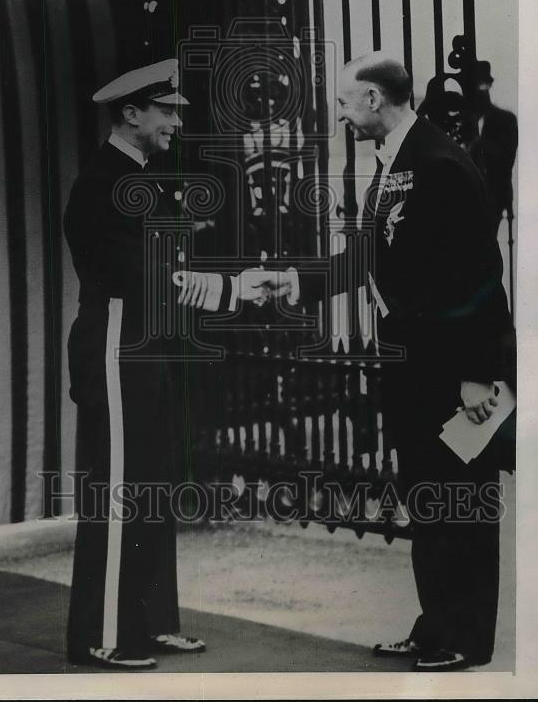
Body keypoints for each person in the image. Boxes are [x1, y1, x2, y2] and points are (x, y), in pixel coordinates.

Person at [180, 52, 514, 672]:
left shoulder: (440, 163)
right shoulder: (399, 162)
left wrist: (477, 374)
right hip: (414, 364)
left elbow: (478, 276)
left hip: (449, 369)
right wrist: (294, 283)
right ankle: (436, 626)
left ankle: (464, 638)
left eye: (341, 102)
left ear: (371, 99)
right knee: (427, 496)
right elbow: (373, 260)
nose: (338, 114)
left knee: (459, 501)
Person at [63, 59, 217, 671]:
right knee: (120, 487)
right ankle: (98, 634)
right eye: (167, 110)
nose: (177, 121)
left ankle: (150, 622)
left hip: (146, 344)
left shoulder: (145, 178)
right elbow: (129, 273)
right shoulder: (102, 181)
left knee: (153, 481)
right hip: (115, 342)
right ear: (131, 113)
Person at [467, 60, 518, 233]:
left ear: (490, 85)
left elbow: (507, 158)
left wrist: (479, 144)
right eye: (476, 85)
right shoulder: (464, 120)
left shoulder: (506, 120)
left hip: (494, 196)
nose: (481, 90)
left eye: (483, 85)